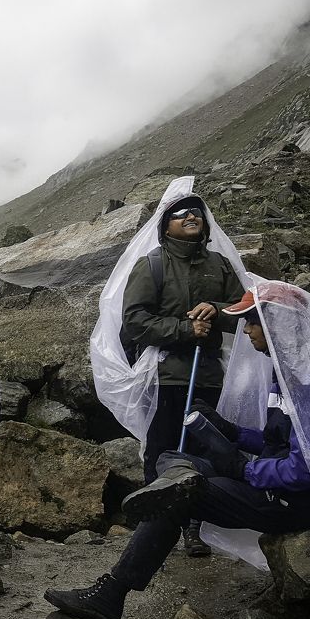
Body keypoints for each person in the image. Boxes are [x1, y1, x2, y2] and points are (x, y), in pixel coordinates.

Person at [45, 282, 310, 619]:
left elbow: (308, 472)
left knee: (178, 497)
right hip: (278, 486)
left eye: (251, 321)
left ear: (279, 324)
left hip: (294, 503)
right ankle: (179, 484)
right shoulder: (290, 370)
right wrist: (231, 432)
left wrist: (244, 469)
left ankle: (110, 596)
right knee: (172, 457)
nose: (245, 331)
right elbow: (279, 441)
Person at [120, 194, 245, 556]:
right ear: (166, 225)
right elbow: (135, 320)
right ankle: (153, 526)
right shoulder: (153, 265)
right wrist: (185, 331)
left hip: (210, 377)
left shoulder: (219, 264)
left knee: (207, 449)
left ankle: (194, 526)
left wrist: (217, 310)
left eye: (196, 212)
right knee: (163, 449)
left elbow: (243, 307)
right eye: (180, 213)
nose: (191, 216)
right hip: (167, 377)